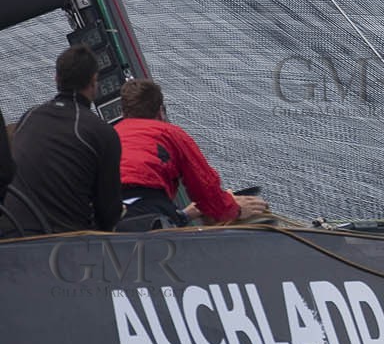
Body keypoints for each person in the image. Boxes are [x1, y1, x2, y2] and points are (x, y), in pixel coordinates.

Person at [115, 79, 269, 229]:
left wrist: (186, 214)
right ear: (161, 111)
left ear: (123, 112)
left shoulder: (110, 135)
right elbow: (206, 190)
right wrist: (236, 209)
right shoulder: (170, 134)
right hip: (151, 213)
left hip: (105, 217)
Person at [0, 46, 121, 236]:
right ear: (94, 81)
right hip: (60, 244)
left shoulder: (30, 116)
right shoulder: (102, 132)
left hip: (9, 235)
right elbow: (109, 213)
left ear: (56, 78)